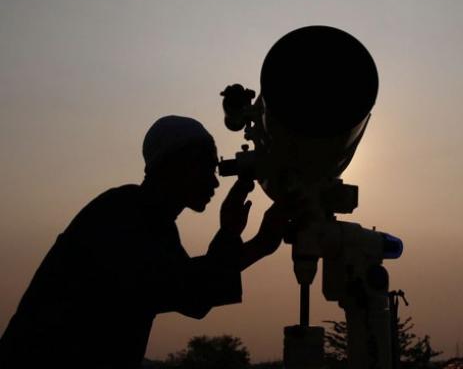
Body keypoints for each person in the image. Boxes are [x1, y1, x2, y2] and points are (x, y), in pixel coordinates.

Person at [0, 115, 291, 368]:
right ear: (174, 166)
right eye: (205, 167)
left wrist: (248, 240)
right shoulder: (121, 217)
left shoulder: (146, 219)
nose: (214, 182)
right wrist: (248, 240)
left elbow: (193, 291)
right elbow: (190, 290)